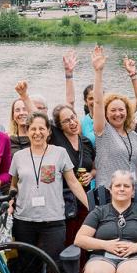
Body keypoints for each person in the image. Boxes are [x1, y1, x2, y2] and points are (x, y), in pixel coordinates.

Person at [7, 111, 89, 273]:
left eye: (41, 128)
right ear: (28, 131)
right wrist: (10, 202)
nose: (37, 132)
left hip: (53, 218)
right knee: (28, 262)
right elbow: (14, 184)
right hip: (24, 218)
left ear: (48, 131)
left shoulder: (59, 153)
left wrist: (90, 207)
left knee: (57, 260)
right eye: (33, 128)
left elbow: (72, 182)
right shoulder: (19, 157)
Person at [90, 45, 137, 184]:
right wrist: (98, 71)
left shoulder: (134, 135)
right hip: (108, 194)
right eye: (112, 110)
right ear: (106, 114)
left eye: (121, 110)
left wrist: (133, 76)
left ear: (127, 112)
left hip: (132, 194)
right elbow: (97, 102)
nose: (118, 114)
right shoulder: (103, 131)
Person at [50, 102, 95, 247]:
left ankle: (82, 269)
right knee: (67, 239)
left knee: (84, 239)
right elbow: (39, 119)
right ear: (59, 126)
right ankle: (64, 270)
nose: (72, 122)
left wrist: (92, 175)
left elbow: (94, 167)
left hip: (84, 196)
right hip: (65, 199)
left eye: (73, 117)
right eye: (66, 121)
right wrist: (24, 96)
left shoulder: (86, 142)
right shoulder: (57, 139)